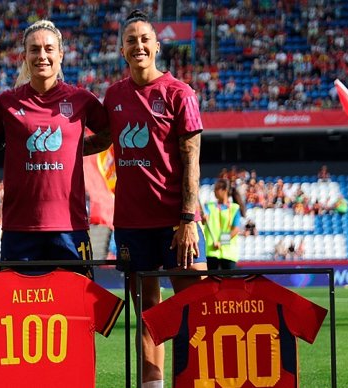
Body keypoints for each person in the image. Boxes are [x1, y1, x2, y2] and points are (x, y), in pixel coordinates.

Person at [97, 10, 208, 388]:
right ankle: (152, 384)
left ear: (157, 46)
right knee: (147, 312)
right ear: (122, 50)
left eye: (145, 38)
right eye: (131, 40)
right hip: (130, 223)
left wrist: (188, 220)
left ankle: (196, 380)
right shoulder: (112, 96)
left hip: (178, 222)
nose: (139, 45)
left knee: (194, 309)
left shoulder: (180, 93)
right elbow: (97, 140)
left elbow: (192, 157)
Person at [0, 19, 108, 276]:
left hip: (70, 227)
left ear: (61, 54)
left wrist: (76, 150)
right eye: (34, 49)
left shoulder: (82, 100)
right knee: (19, 312)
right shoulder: (7, 102)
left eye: (48, 49)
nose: (42, 55)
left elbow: (109, 133)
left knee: (78, 312)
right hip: (20, 229)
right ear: (24, 56)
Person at [202, 178, 242, 269]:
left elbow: (235, 229)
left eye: (217, 189)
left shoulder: (234, 208)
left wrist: (221, 242)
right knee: (211, 281)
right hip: (211, 251)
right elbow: (203, 220)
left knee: (229, 282)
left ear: (225, 191)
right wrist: (203, 218)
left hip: (228, 253)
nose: (214, 192)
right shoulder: (209, 206)